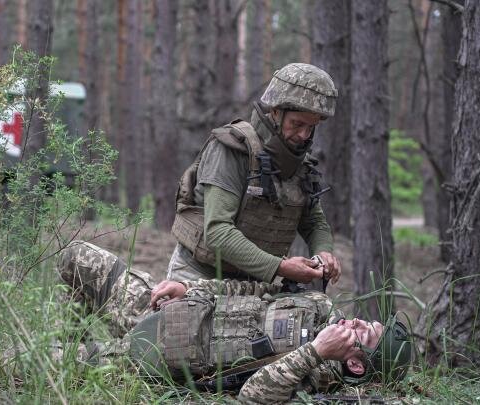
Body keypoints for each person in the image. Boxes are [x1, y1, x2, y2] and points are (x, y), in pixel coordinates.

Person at [59, 241, 412, 403]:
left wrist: (316, 351)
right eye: (365, 320)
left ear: (355, 363)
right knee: (76, 258)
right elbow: (251, 288)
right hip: (167, 309)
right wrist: (189, 286)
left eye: (363, 331)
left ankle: (72, 356)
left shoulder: (319, 382)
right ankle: (69, 335)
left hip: (155, 357)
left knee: (38, 359)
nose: (355, 320)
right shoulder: (319, 304)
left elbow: (252, 396)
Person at [168, 63, 342, 290]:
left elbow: (314, 221)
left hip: (255, 285)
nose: (303, 135)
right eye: (297, 124)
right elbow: (218, 232)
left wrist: (323, 252)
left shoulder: (301, 166)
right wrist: (280, 267)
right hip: (196, 277)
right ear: (276, 112)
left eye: (311, 127)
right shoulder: (232, 150)